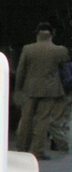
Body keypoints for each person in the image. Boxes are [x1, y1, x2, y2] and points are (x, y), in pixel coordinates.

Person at [13, 22, 70, 159]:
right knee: (43, 120)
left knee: (26, 119)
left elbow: (21, 71)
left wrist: (17, 89)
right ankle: (37, 151)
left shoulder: (27, 49)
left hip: (30, 89)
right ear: (51, 35)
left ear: (38, 34)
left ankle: (22, 149)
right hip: (50, 90)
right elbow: (64, 67)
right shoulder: (60, 50)